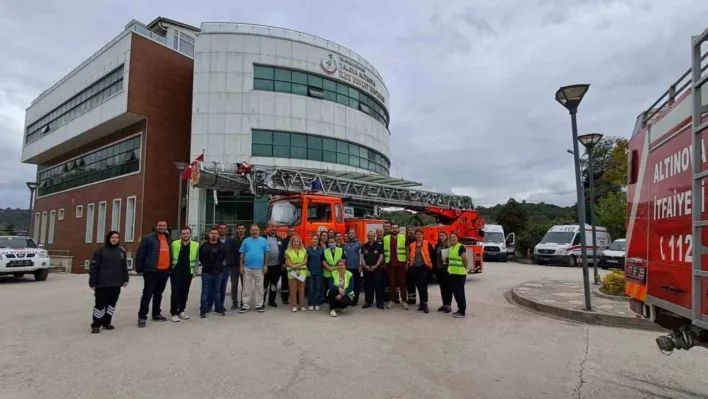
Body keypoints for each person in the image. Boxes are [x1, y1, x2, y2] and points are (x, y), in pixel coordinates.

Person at [88, 231, 129, 333]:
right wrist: (93, 282)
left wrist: (125, 278)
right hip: (102, 283)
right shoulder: (100, 251)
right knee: (100, 305)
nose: (114, 239)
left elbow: (124, 266)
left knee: (111, 304)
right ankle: (96, 325)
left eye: (116, 237)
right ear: (108, 238)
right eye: (112, 237)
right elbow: (94, 267)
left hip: (116, 283)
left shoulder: (121, 251)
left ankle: (107, 322)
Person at [135, 220, 172, 328]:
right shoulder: (148, 238)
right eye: (160, 225)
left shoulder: (168, 238)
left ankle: (156, 314)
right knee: (147, 294)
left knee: (158, 294)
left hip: (164, 271)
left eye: (164, 225)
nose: (162, 227)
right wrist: (139, 268)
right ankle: (142, 317)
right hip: (151, 271)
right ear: (155, 226)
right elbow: (140, 254)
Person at [169, 227, 199, 322]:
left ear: (190, 234)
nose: (186, 235)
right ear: (180, 235)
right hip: (176, 272)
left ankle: (181, 311)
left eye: (187, 233)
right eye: (184, 233)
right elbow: (170, 256)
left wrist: (195, 271)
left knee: (185, 292)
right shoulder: (174, 244)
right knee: (175, 293)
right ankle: (174, 312)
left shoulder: (195, 245)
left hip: (188, 272)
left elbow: (197, 259)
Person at [240, 224, 270, 313]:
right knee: (246, 287)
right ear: (250, 231)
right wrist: (241, 266)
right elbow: (242, 254)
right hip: (247, 268)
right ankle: (245, 305)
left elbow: (266, 254)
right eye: (253, 230)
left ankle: (259, 305)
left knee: (259, 288)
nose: (254, 232)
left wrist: (266, 265)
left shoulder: (263, 241)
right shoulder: (246, 241)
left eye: (256, 230)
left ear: (259, 231)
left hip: (260, 268)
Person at [199, 227, 226, 318]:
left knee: (217, 291)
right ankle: (203, 310)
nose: (214, 235)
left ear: (218, 235)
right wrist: (208, 266)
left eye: (215, 233)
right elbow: (202, 259)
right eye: (212, 233)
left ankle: (218, 308)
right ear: (209, 235)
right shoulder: (204, 246)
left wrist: (217, 267)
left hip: (218, 272)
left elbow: (222, 258)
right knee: (205, 291)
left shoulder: (222, 246)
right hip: (207, 272)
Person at [409, 229, 435, 313]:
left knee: (424, 286)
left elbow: (432, 255)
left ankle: (425, 303)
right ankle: (421, 303)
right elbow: (410, 256)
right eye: (417, 234)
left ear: (423, 235)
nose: (418, 236)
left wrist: (431, 267)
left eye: (420, 234)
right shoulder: (412, 245)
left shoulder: (427, 244)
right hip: (415, 267)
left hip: (424, 267)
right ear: (415, 236)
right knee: (419, 286)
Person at [384, 223, 408, 310]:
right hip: (390, 264)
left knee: (402, 283)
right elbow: (384, 251)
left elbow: (407, 249)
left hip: (401, 263)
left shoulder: (403, 237)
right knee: (392, 284)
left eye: (396, 228)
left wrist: (407, 262)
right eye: (393, 228)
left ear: (398, 229)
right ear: (390, 229)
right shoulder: (385, 238)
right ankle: (392, 300)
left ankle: (404, 301)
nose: (394, 229)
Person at [216, 224, 239, 313]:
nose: (222, 230)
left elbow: (233, 253)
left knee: (223, 287)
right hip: (216, 268)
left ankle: (220, 305)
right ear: (218, 229)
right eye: (221, 228)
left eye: (224, 228)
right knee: (215, 288)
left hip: (226, 267)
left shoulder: (231, 241)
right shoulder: (215, 239)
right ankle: (212, 305)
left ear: (226, 230)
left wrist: (231, 264)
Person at [448, 232, 470, 318]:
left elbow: (465, 259)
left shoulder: (460, 247)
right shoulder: (451, 248)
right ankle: (459, 309)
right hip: (453, 273)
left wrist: (465, 268)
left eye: (454, 237)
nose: (452, 238)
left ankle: (462, 311)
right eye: (451, 237)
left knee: (460, 293)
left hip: (460, 274)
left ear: (457, 238)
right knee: (456, 293)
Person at [264, 223, 286, 307]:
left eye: (275, 227)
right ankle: (261, 301)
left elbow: (283, 252)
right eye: (272, 226)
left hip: (276, 266)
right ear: (269, 227)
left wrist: (283, 262)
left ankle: (271, 301)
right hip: (266, 266)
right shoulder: (263, 238)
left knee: (274, 285)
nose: (274, 228)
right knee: (264, 285)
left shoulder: (280, 239)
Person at [361, 230, 385, 309]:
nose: (370, 237)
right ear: (367, 237)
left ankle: (380, 303)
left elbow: (381, 257)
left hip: (377, 269)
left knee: (378, 286)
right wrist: (365, 266)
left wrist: (375, 266)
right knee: (368, 286)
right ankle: (368, 301)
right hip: (367, 269)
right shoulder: (364, 246)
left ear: (374, 236)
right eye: (369, 236)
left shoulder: (379, 246)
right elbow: (362, 257)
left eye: (372, 236)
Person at [285, 235, 308, 312]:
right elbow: (287, 261)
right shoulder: (287, 251)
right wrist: (293, 266)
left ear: (299, 242)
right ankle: (294, 305)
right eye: (294, 241)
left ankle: (301, 305)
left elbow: (305, 261)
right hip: (292, 272)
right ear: (292, 242)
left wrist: (298, 265)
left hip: (302, 272)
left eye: (297, 241)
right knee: (293, 290)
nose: (296, 243)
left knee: (301, 290)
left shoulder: (304, 250)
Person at [343, 228, 362, 305]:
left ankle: (355, 300)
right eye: (350, 233)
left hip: (356, 267)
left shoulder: (359, 244)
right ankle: (349, 299)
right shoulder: (345, 245)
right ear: (348, 234)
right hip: (348, 267)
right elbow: (344, 256)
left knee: (356, 285)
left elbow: (361, 255)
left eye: (353, 233)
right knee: (349, 284)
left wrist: (360, 265)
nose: (351, 234)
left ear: (355, 234)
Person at [435, 231, 453, 313]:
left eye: (443, 236)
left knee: (448, 288)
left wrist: (447, 259)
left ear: (446, 236)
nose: (441, 237)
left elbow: (453, 257)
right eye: (440, 236)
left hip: (447, 269)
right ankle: (444, 304)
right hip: (439, 269)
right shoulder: (438, 246)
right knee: (442, 288)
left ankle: (448, 305)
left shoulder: (450, 246)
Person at [230, 224, 247, 310]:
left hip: (245, 266)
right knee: (234, 285)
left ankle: (243, 302)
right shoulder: (233, 240)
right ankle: (234, 302)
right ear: (237, 230)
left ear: (245, 230)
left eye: (242, 228)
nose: (240, 230)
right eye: (239, 229)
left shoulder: (248, 240)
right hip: (234, 266)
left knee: (245, 285)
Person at [306, 234, 324, 311]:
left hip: (319, 271)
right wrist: (306, 270)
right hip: (310, 271)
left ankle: (317, 303)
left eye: (316, 239)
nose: (314, 240)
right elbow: (305, 261)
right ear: (311, 240)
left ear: (318, 241)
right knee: (310, 288)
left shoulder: (321, 249)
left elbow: (323, 261)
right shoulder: (307, 249)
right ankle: (310, 303)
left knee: (318, 288)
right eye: (313, 239)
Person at [280, 227, 296, 304]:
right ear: (288, 232)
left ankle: (294, 298)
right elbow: (282, 253)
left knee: (294, 281)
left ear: (295, 232)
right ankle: (284, 298)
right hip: (286, 265)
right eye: (290, 231)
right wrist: (283, 263)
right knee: (285, 282)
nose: (291, 232)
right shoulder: (284, 241)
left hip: (295, 265)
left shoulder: (297, 241)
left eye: (293, 231)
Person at [405, 227, 418, 305]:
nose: (410, 231)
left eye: (411, 230)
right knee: (409, 282)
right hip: (408, 263)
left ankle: (413, 299)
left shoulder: (416, 241)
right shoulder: (406, 240)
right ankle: (411, 299)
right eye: (409, 230)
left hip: (415, 263)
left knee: (414, 282)